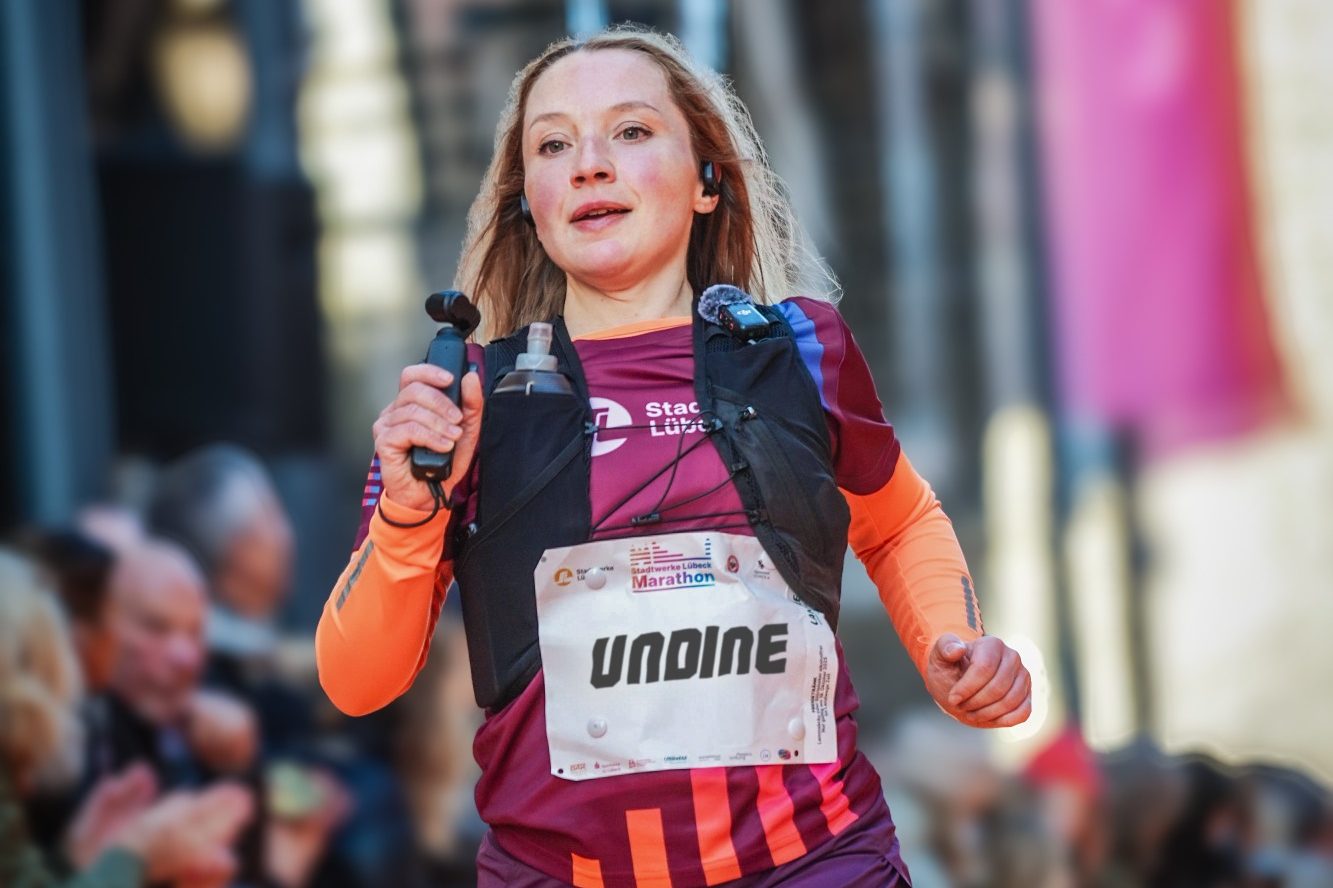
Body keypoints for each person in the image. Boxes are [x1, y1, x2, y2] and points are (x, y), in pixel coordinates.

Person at [317, 26, 1032, 887]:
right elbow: (355, 683)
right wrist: (407, 516)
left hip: (816, 861)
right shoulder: (464, 396)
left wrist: (953, 646)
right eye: (553, 146)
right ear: (527, 202)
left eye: (630, 131)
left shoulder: (803, 349)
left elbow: (899, 519)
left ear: (705, 181)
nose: (589, 165)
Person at [0, 547, 253, 888]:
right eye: (155, 627)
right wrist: (134, 856)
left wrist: (71, 861)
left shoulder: (204, 725)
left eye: (196, 632)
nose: (185, 656)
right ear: (99, 631)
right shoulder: (66, 735)